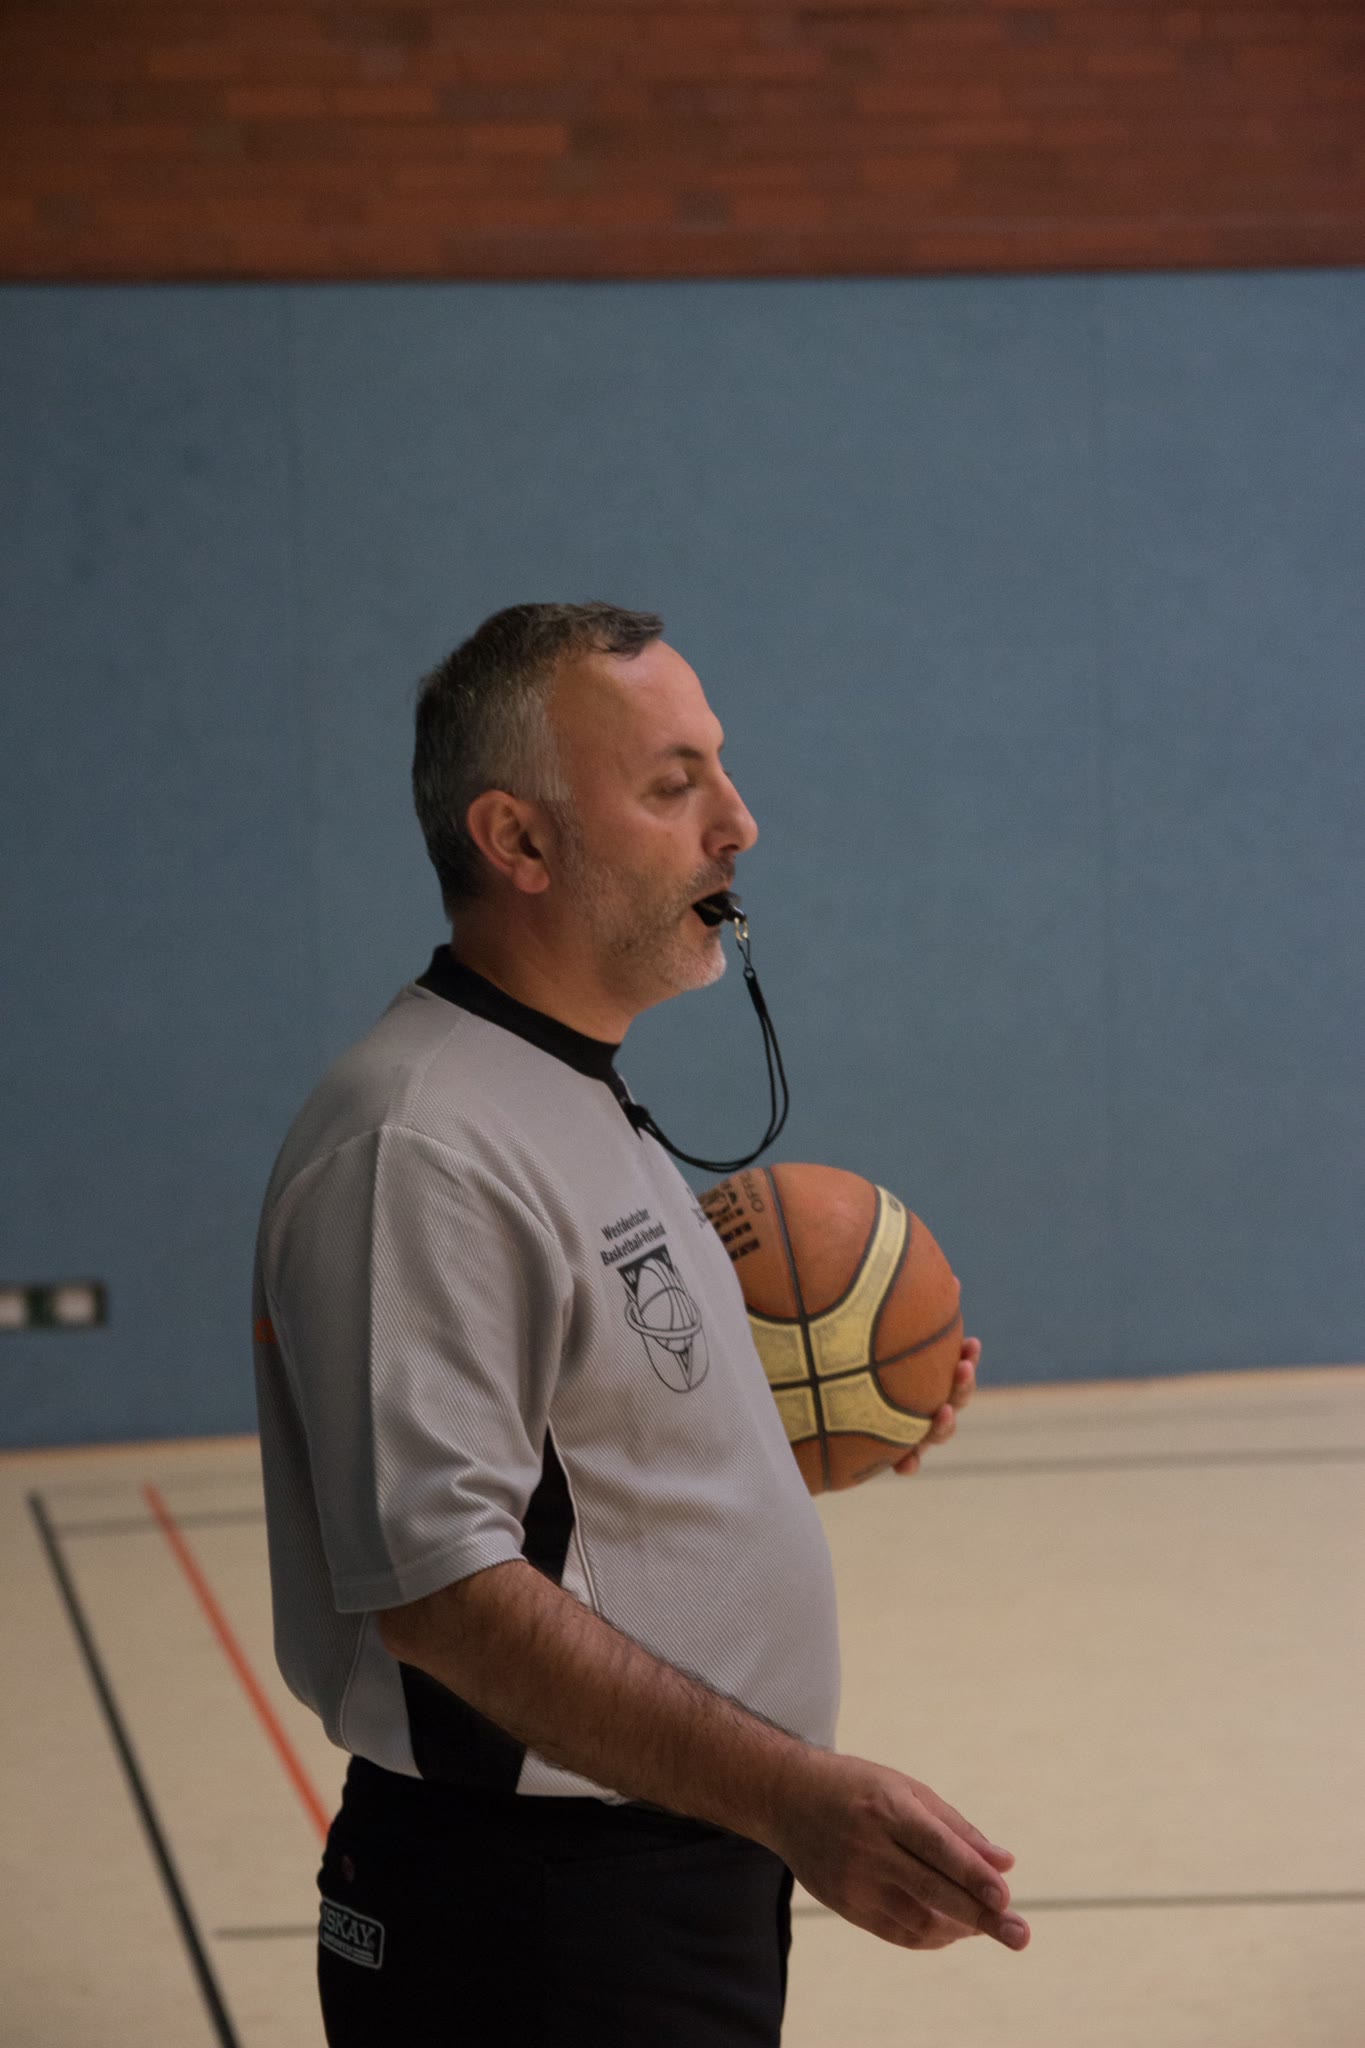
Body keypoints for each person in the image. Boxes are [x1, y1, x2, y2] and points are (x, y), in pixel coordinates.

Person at [251, 601, 1030, 2048]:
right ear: (518, 840)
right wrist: (793, 1795)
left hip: (662, 1869)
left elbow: (579, 1467)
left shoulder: (569, 1091)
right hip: (529, 1918)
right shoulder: (418, 1140)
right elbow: (441, 1590)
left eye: (718, 770)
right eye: (674, 786)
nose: (738, 824)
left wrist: (809, 1427)